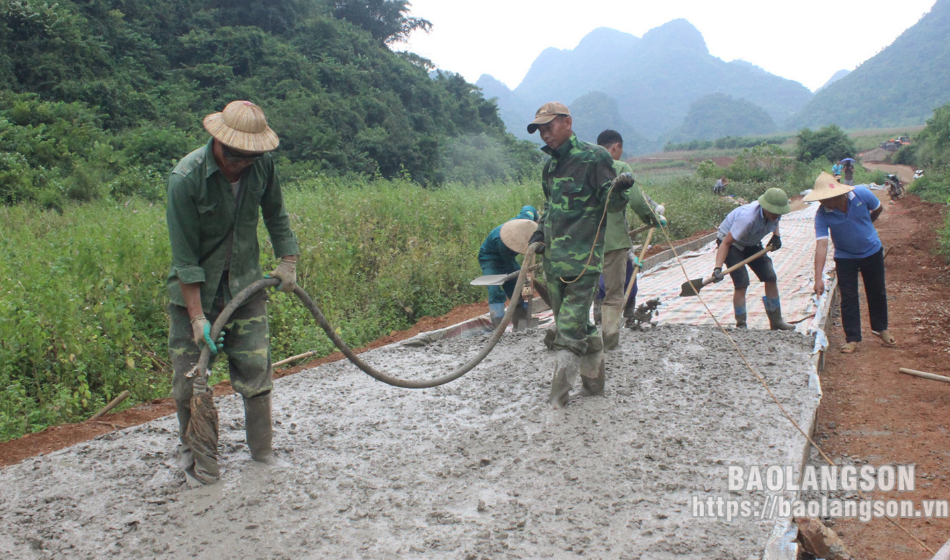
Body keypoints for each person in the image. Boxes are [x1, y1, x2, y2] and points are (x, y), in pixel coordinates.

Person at [166, 100, 299, 483]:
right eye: (236, 156)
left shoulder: (262, 166)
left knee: (257, 370)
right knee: (190, 380)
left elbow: (276, 215)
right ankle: (196, 458)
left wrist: (287, 261)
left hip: (246, 285)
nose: (241, 164)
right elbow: (185, 258)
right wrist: (196, 317)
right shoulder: (186, 178)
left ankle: (262, 454)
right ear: (218, 143)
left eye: (250, 157)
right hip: (194, 293)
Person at [526, 102, 633, 408]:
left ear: (568, 123)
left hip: (584, 261)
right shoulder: (549, 167)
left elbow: (611, 206)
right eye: (541, 130)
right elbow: (549, 210)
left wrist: (619, 190)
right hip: (554, 261)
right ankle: (594, 386)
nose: (545, 135)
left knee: (569, 328)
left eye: (550, 127)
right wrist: (538, 234)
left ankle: (556, 399)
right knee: (579, 325)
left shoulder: (594, 156)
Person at [593, 129, 666, 350]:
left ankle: (590, 329)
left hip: (583, 241)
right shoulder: (619, 168)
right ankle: (610, 342)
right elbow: (636, 200)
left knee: (590, 289)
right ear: (615, 147)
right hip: (612, 240)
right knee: (614, 294)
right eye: (620, 149)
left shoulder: (584, 166)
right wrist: (653, 219)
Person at [806, 172, 894, 353]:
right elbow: (821, 245)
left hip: (872, 251)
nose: (821, 203)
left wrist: (867, 225)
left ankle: (881, 329)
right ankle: (852, 338)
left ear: (836, 194)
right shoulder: (822, 214)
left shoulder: (861, 194)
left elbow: (878, 208)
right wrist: (818, 279)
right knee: (849, 297)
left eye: (824, 198)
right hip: (845, 256)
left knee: (876, 291)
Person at [712, 188, 795, 330]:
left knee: (770, 276)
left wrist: (776, 236)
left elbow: (775, 221)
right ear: (765, 208)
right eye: (773, 213)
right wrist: (717, 268)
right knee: (742, 281)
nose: (776, 216)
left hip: (751, 242)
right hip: (731, 243)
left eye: (778, 213)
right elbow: (726, 242)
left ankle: (776, 321)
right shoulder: (747, 218)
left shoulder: (775, 214)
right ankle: (741, 324)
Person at [477, 205, 539, 327]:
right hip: (490, 258)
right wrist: (525, 280)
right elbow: (511, 267)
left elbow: (529, 208)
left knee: (513, 288)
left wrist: (536, 220)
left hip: (506, 258)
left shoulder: (525, 219)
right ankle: (498, 324)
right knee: (495, 289)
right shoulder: (502, 241)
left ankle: (521, 320)